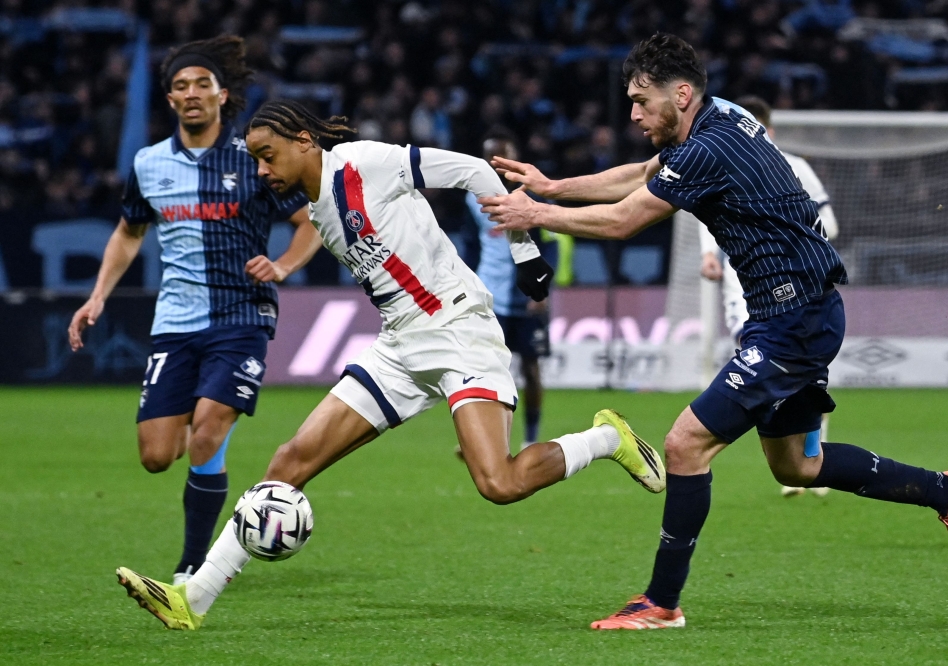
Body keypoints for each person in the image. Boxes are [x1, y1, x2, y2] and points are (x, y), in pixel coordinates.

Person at [480, 33, 948, 630]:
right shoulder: (727, 118)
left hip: (792, 320)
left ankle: (661, 603)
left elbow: (624, 220)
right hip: (799, 313)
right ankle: (946, 490)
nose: (635, 114)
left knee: (684, 445)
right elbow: (643, 174)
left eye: (643, 100)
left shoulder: (709, 149)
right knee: (795, 466)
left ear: (682, 93)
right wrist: (554, 186)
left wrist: (536, 214)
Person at [114, 100, 666, 630]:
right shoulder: (319, 212)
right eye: (255, 159)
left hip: (458, 331)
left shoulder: (363, 163)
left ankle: (603, 438)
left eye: (268, 155)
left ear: (304, 141)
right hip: (400, 345)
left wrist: (526, 254)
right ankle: (193, 598)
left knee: (498, 482)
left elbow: (475, 170)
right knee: (291, 460)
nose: (261, 170)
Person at [67, 37, 320, 585]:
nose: (191, 93)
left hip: (242, 315)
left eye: (201, 83)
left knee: (206, 435)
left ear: (222, 94)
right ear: (171, 99)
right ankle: (210, 427)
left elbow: (311, 222)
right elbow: (129, 232)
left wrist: (280, 268)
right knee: (158, 455)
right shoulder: (149, 163)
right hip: (175, 323)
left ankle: (193, 566)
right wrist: (97, 296)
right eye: (180, 86)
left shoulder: (254, 159)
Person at [699, 94, 837, 498]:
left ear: (768, 130)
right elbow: (710, 217)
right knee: (764, 362)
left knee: (783, 367)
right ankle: (795, 456)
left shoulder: (797, 168)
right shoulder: (721, 161)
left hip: (794, 285)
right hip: (741, 285)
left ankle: (806, 454)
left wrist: (803, 242)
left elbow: (828, 219)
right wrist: (709, 255)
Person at [467, 127, 557, 448]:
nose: (495, 166)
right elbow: (469, 246)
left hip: (526, 296)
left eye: (501, 158)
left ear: (514, 158)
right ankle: (492, 442)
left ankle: (530, 440)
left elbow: (550, 247)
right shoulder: (472, 198)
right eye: (489, 159)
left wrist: (542, 291)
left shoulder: (532, 196)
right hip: (489, 297)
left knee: (531, 371)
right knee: (489, 370)